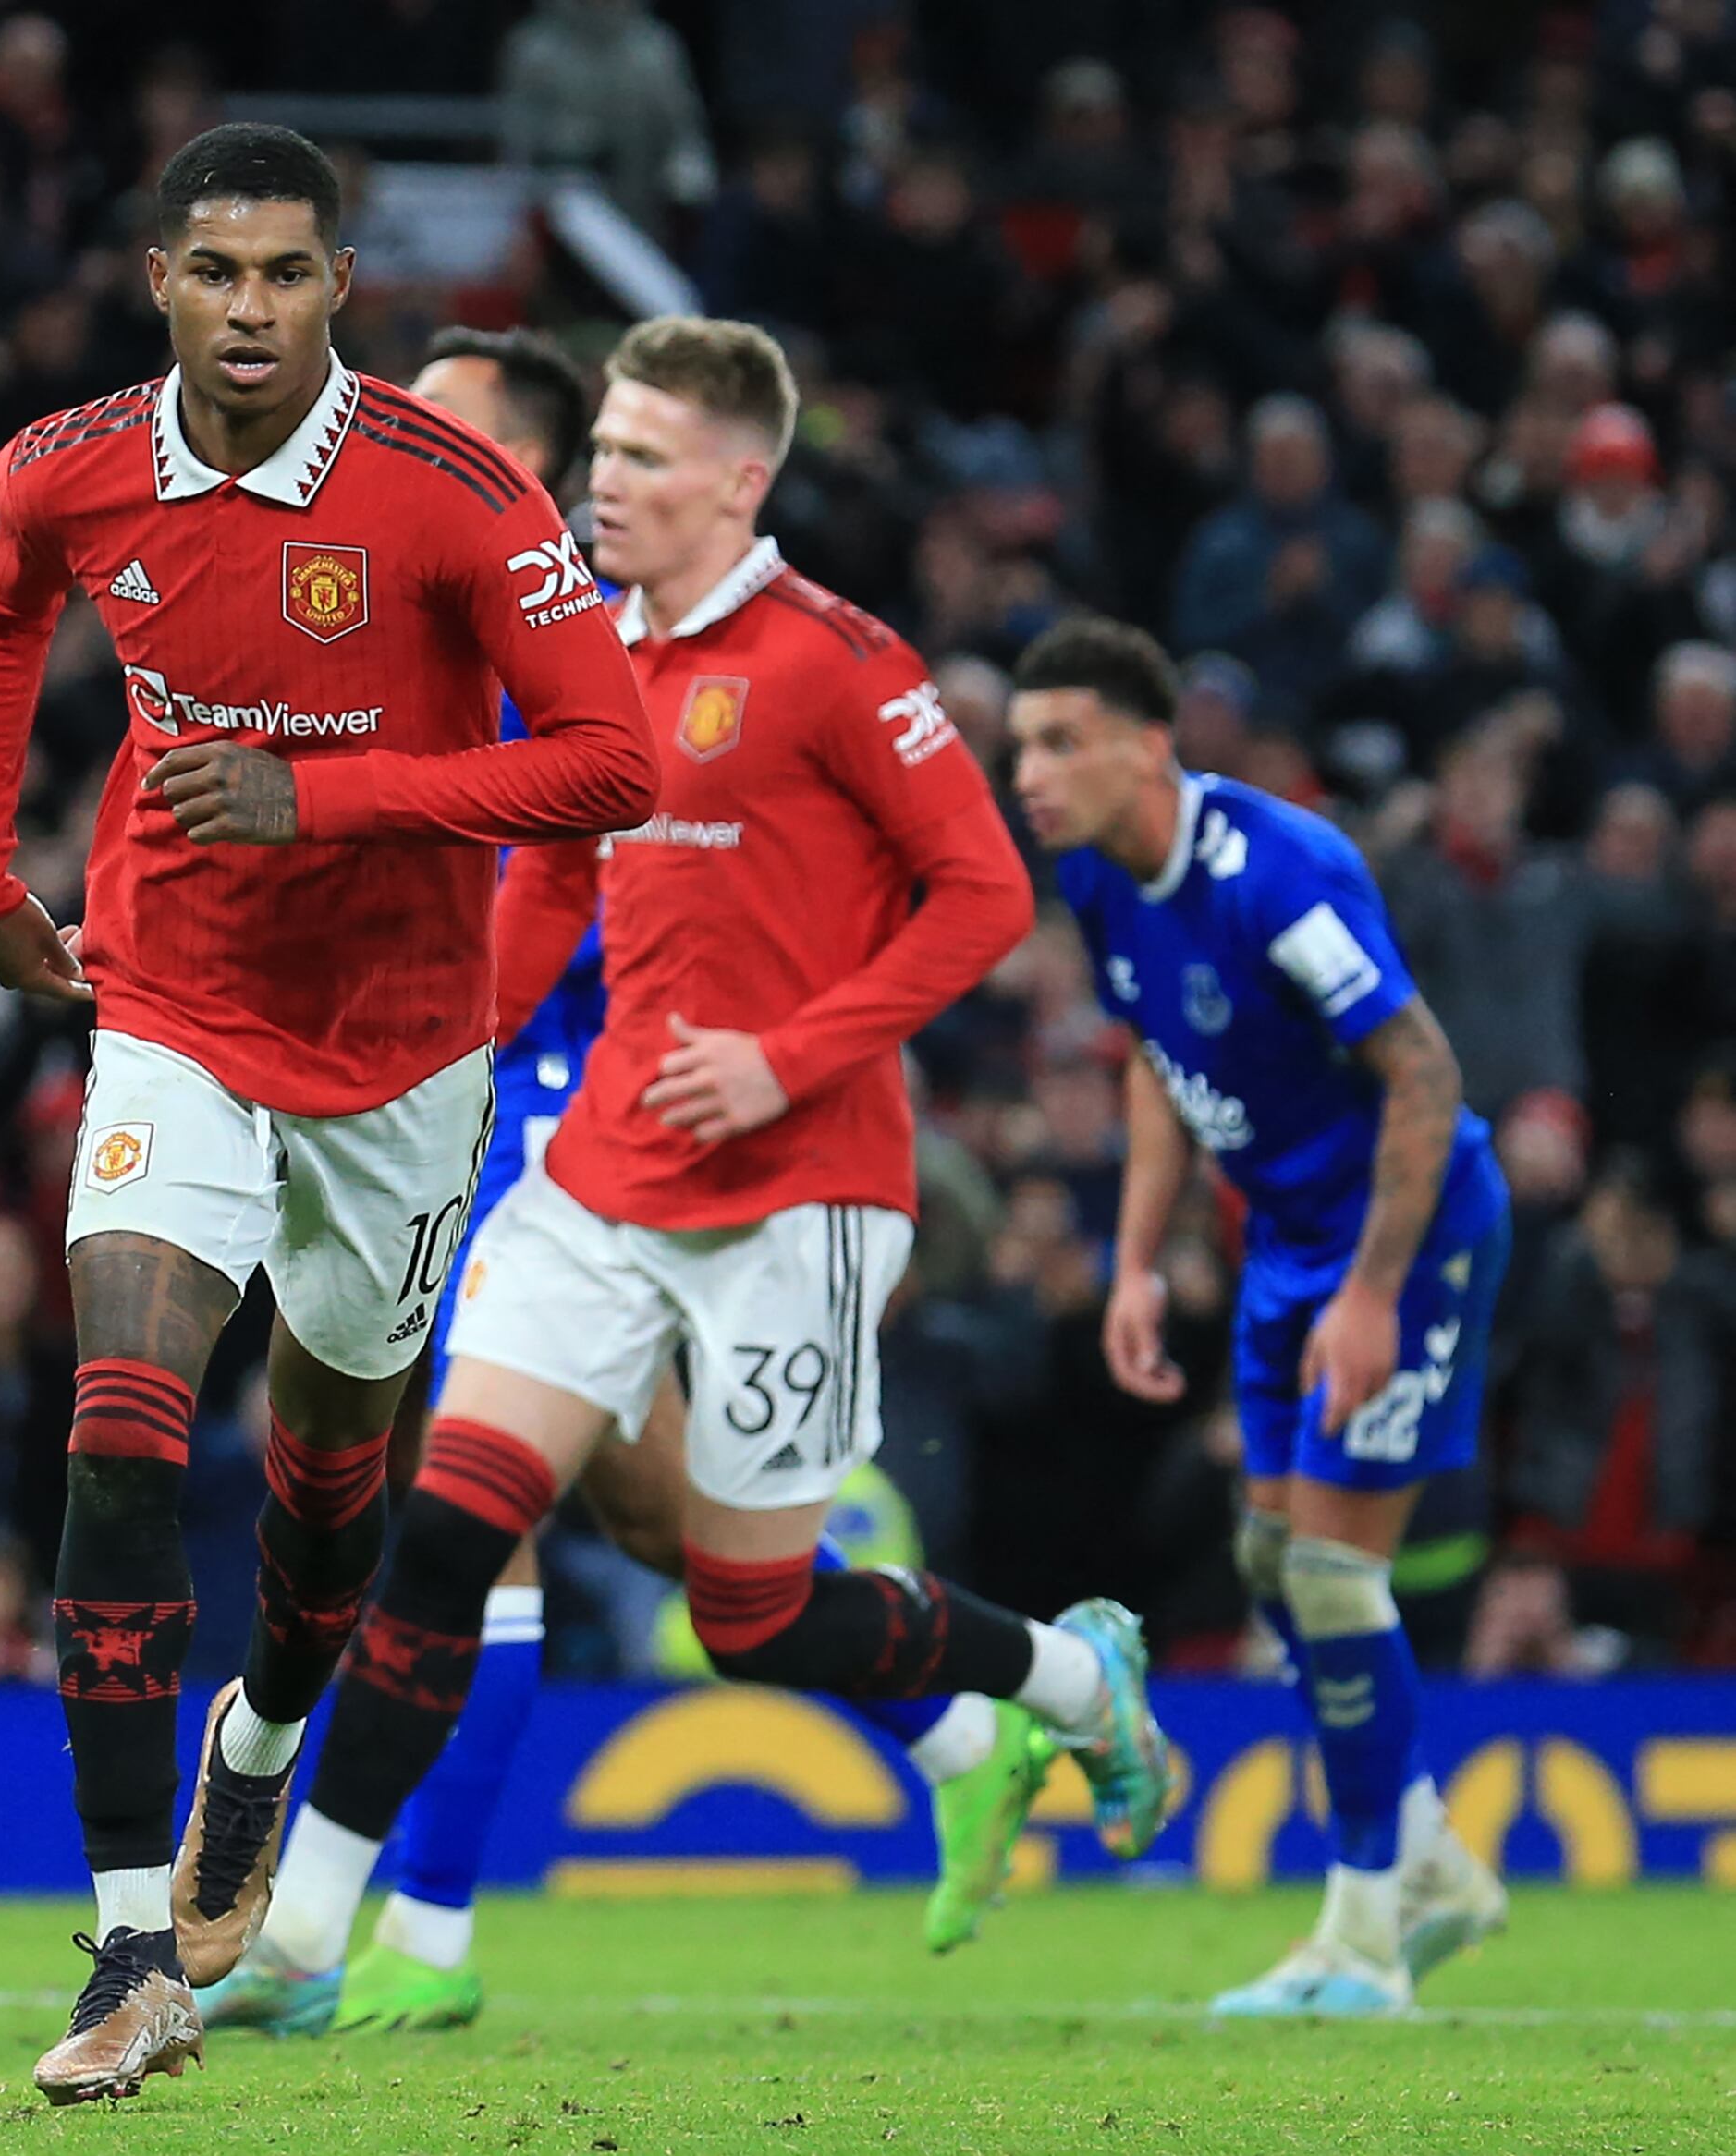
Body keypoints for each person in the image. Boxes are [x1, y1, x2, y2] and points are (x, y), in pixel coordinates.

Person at [219, 318, 1173, 2033]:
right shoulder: (594, 652)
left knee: (749, 1611)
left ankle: (1064, 1673)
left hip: (803, 1195)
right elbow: (554, 880)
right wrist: (442, 1065)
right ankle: (304, 1934)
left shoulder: (838, 661)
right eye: (603, 450)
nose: (605, 480)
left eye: (643, 457)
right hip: (599, 1180)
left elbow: (984, 895)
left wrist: (786, 1058)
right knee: (449, 1530)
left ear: (742, 482)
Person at [0, 124, 656, 2102]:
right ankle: (128, 1950)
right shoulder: (69, 466)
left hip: (406, 1053)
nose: (248, 309)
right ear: (158, 280)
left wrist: (318, 796)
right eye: (213, 271)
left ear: (340, 283)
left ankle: (254, 1752)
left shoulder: (457, 492)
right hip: (172, 1006)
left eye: (283, 273)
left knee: (330, 1502)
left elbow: (615, 761)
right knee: (118, 1423)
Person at [1006, 614, 1513, 2016]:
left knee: (1335, 1577)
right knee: (1275, 1558)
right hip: (1289, 1243)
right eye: (1021, 747)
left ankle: (1364, 1933)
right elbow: (1156, 1061)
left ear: (1147, 747)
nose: (1030, 774)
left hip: (1407, 1232)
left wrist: (1374, 1293)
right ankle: (1431, 1863)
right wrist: (1133, 1261)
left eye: (1060, 743)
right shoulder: (1099, 874)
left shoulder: (1277, 873)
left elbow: (1423, 1073)